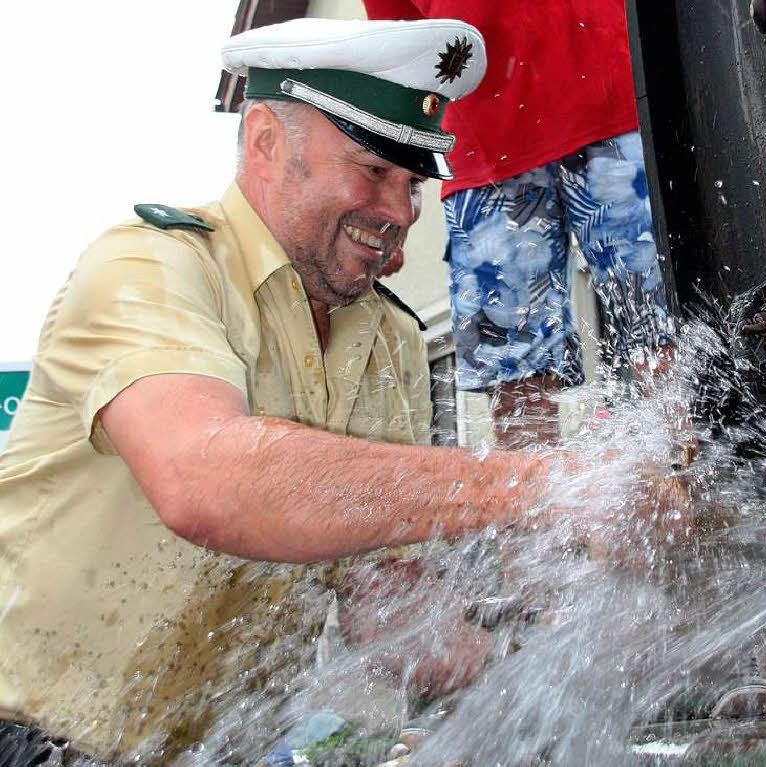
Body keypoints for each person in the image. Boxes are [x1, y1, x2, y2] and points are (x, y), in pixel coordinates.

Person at [0, 17, 565, 764]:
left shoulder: (391, 341)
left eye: (412, 185)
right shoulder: (145, 271)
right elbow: (204, 478)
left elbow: (384, 601)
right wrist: (540, 485)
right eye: (371, 170)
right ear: (265, 141)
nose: (399, 213)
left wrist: (563, 654)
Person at [363, 0, 678, 449]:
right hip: (484, 149)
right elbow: (401, 62)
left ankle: (693, 486)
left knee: (662, 331)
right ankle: (536, 513)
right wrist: (386, 204)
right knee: (514, 372)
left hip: (613, 99)